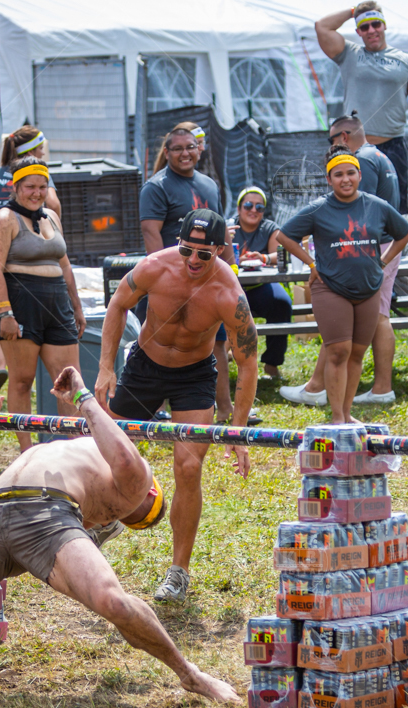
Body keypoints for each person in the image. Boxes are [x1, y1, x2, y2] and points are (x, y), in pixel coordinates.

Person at [0, 377, 238, 704]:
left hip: (46, 515)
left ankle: (191, 675)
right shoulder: (132, 475)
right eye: (137, 513)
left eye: (129, 519)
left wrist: (80, 402)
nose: (123, 517)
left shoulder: (97, 491)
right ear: (150, 492)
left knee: (113, 602)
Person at [95, 210, 257, 603]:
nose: (193, 260)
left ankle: (178, 572)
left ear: (220, 250)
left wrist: (237, 431)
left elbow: (248, 361)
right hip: (144, 366)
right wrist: (105, 367)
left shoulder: (228, 294)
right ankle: (103, 520)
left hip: (193, 375)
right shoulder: (155, 266)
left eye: (204, 254)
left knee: (188, 467)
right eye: (187, 250)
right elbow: (117, 305)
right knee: (105, 450)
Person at [278, 145, 408, 424]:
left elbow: (404, 232)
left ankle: (347, 414)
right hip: (331, 288)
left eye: (351, 173)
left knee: (357, 353)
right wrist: (311, 264)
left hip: (368, 288)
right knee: (339, 351)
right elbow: (284, 235)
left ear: (360, 175)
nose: (345, 179)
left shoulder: (376, 205)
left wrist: (383, 261)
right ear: (329, 179)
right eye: (338, 175)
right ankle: (337, 417)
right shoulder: (319, 208)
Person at [0, 156, 86, 451]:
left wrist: (77, 307)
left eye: (42, 187)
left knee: (69, 381)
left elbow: (65, 266)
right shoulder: (3, 219)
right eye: (30, 186)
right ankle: (26, 450)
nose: (37, 193)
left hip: (58, 305)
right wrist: (5, 313)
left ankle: (73, 449)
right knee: (22, 380)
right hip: (21, 304)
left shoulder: (51, 216)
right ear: (15, 186)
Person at [139, 125, 231, 420]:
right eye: (177, 148)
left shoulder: (209, 184)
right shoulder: (156, 187)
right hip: (172, 284)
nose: (185, 153)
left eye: (190, 147)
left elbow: (221, 232)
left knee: (217, 342)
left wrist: (231, 269)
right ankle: (157, 409)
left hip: (208, 281)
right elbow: (151, 234)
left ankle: (225, 408)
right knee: (161, 341)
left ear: (199, 148)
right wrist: (160, 280)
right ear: (167, 153)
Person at [315, 1, 408, 210]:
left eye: (376, 24)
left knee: (394, 209)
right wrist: (354, 11)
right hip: (353, 149)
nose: (371, 30)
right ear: (358, 31)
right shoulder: (349, 53)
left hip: (392, 146)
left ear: (384, 25)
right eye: (364, 26)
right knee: (351, 207)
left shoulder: (406, 61)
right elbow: (322, 26)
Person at [230, 187, 292, 380]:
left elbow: (280, 253)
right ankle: (220, 357)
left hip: (260, 285)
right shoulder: (228, 228)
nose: (253, 210)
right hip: (231, 287)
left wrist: (263, 257)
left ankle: (272, 364)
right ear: (239, 208)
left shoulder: (270, 228)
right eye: (248, 205)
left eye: (259, 207)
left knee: (282, 303)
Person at [0, 126, 63, 218]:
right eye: (41, 148)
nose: (43, 153)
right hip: (29, 226)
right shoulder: (39, 173)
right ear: (30, 152)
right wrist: (51, 225)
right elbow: (53, 205)